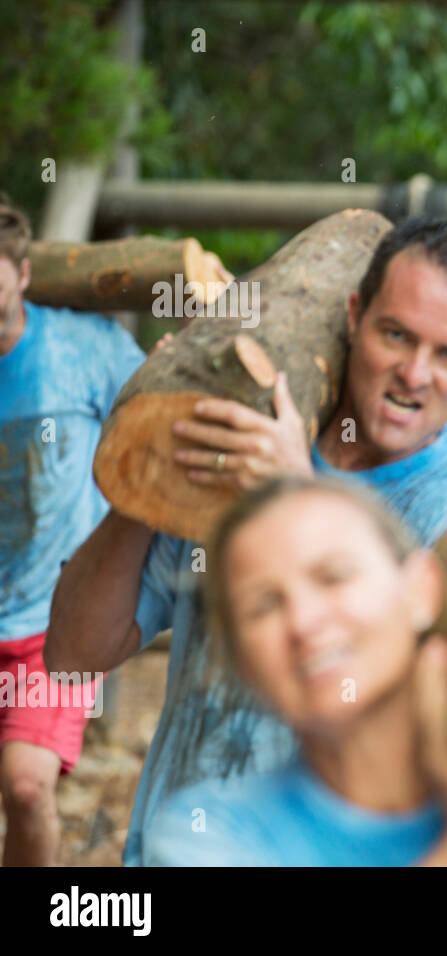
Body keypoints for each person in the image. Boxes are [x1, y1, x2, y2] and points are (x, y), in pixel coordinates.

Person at [46, 216, 447, 866]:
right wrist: (152, 453)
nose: (416, 373)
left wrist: (295, 497)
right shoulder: (237, 443)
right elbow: (73, 655)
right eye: (396, 335)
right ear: (354, 316)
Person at [146, 477, 447, 866]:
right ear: (240, 660)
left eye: (333, 577)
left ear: (421, 587)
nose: (302, 622)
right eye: (263, 605)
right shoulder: (204, 836)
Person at [0, 202, 145, 865]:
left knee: (26, 788)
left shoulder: (82, 350)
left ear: (23, 274)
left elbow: (152, 417)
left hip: (52, 624)